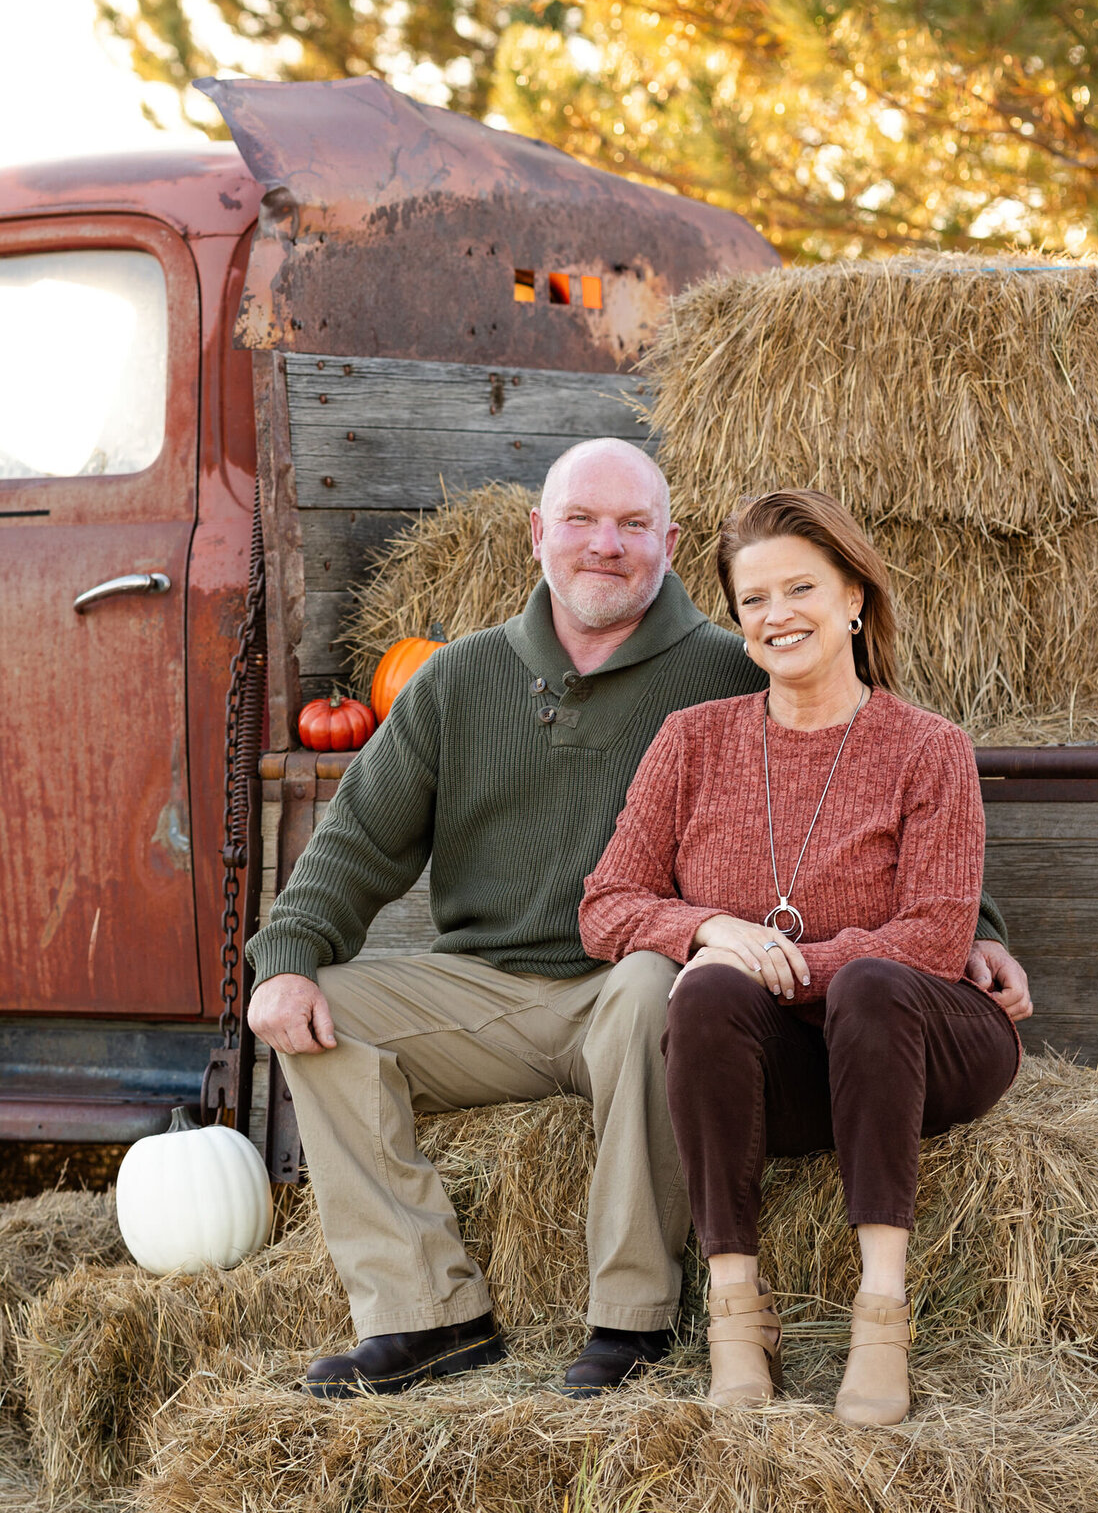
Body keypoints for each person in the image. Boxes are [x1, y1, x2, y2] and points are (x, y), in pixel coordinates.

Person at [245, 443, 1029, 1401]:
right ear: (539, 534)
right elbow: (357, 840)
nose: (603, 546)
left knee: (666, 983)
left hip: (634, 985)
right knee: (315, 1014)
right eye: (580, 520)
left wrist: (969, 929)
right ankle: (426, 1315)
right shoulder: (456, 681)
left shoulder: (725, 666)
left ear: (667, 544)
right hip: (492, 988)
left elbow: (858, 766)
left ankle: (632, 1318)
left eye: (632, 526)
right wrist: (285, 957)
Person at [579, 489, 1022, 1426]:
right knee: (698, 997)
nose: (777, 614)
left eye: (801, 588)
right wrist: (710, 934)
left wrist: (796, 963)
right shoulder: (693, 741)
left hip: (912, 1040)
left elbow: (940, 932)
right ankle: (739, 1317)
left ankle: (881, 1309)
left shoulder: (928, 747)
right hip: (781, 1068)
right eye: (753, 600)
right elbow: (606, 904)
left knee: (867, 980)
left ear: (854, 595)